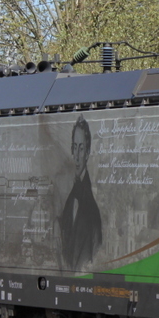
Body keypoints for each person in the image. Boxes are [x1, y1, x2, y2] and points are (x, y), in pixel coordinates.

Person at [59, 115, 103, 269]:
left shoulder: (93, 214)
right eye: (75, 147)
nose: (77, 156)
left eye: (81, 148)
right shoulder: (69, 202)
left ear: (88, 152)